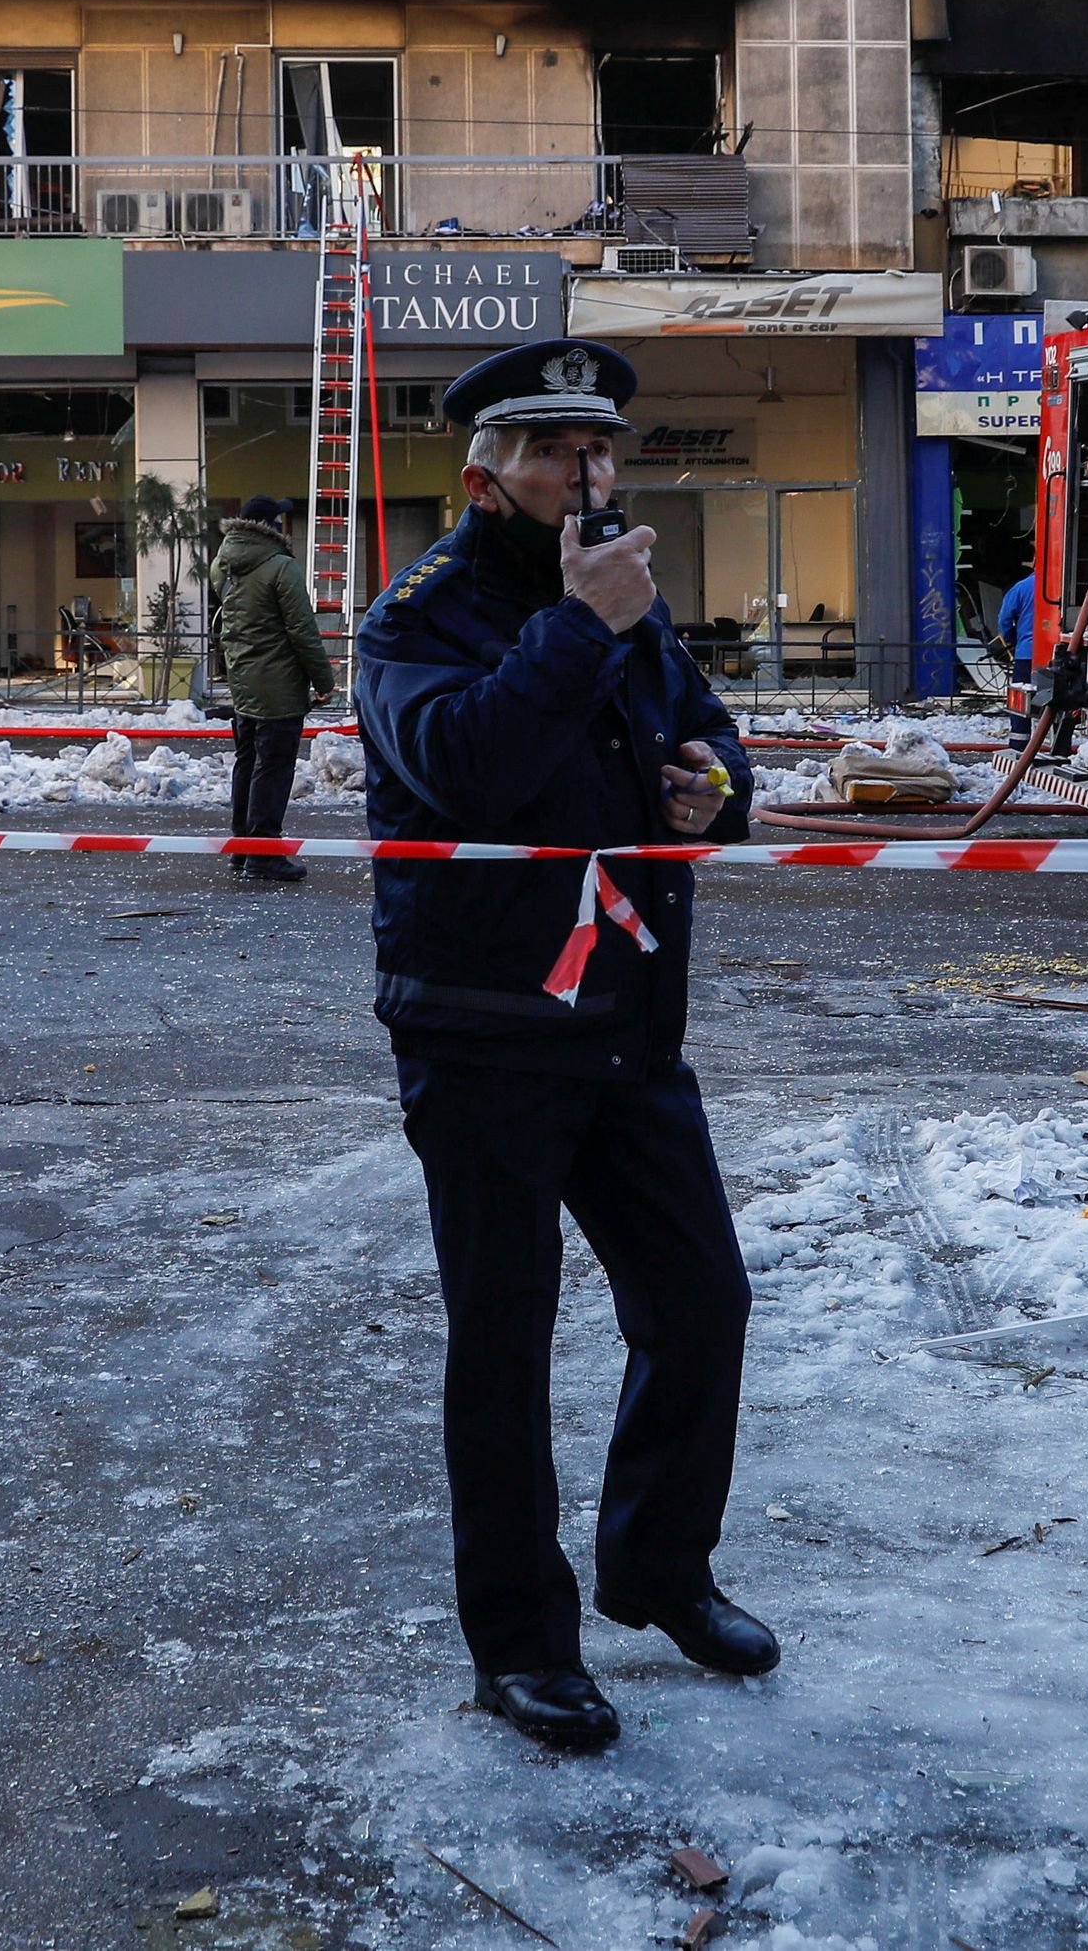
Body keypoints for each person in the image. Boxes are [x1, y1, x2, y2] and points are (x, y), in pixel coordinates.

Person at [357, 338, 767, 1758]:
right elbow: (461, 762)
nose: (587, 473)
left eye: (601, 449)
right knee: (506, 1341)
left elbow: (712, 745)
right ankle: (523, 1647)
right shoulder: (416, 617)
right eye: (553, 452)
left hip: (627, 1024)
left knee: (702, 1297)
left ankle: (658, 1569)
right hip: (483, 1035)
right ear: (485, 477)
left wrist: (715, 788)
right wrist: (581, 626)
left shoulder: (628, 601)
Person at [210, 494, 335, 882]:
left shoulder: (224, 565)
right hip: (278, 684)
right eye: (279, 520)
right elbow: (302, 629)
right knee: (274, 766)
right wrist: (323, 679)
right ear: (270, 526)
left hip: (243, 680)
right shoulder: (281, 567)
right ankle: (264, 851)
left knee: (247, 762)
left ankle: (242, 847)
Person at [995, 567, 1038, 687]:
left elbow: (1004, 619)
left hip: (1026, 652)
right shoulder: (1063, 587)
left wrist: (1010, 638)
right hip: (1057, 654)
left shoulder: (1020, 588)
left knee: (1023, 693)